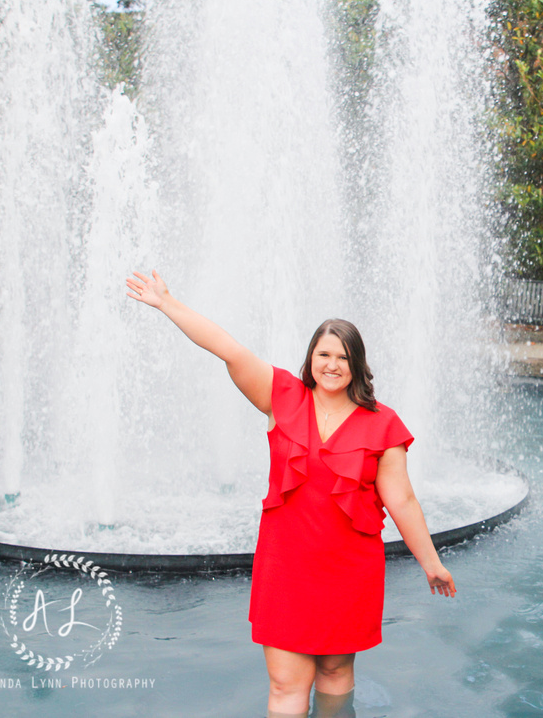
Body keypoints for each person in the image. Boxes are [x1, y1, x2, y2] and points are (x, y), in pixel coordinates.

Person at [125, 270, 456, 718]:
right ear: (311, 358)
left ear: (357, 363)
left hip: (348, 571)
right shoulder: (282, 396)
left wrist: (431, 563)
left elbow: (403, 502)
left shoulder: (383, 425)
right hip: (287, 568)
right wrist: (168, 304)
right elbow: (228, 348)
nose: (332, 364)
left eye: (343, 356)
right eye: (324, 354)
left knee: (336, 674)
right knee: (285, 685)